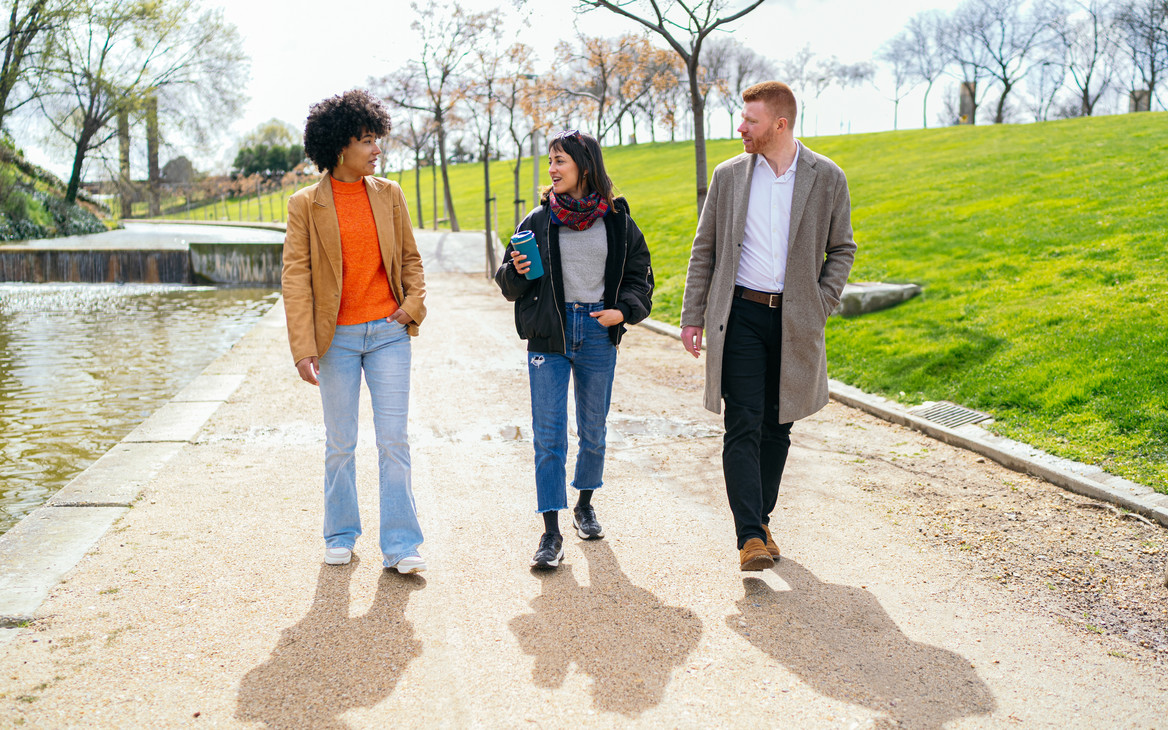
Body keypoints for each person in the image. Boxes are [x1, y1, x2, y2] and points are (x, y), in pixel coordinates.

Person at [680, 81, 856, 571]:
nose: (741, 128)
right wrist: (693, 315)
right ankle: (750, 536)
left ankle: (761, 518)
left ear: (780, 124)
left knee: (779, 425)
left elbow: (842, 248)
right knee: (743, 423)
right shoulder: (730, 175)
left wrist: (821, 302)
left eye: (750, 121)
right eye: (742, 119)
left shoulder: (827, 177)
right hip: (739, 315)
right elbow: (705, 249)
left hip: (796, 319)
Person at [282, 89, 428, 574]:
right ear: (340, 145)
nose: (376, 149)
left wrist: (411, 306)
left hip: (388, 333)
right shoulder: (305, 205)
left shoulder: (390, 195)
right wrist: (303, 348)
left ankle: (402, 546)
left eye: (376, 139)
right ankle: (341, 533)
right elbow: (295, 279)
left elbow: (410, 258)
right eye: (367, 140)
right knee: (340, 443)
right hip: (336, 340)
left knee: (394, 440)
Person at [495, 130, 653, 569]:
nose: (552, 169)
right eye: (550, 161)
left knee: (594, 430)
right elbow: (507, 283)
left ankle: (585, 503)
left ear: (584, 165)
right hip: (550, 334)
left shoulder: (618, 221)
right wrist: (518, 271)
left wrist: (622, 312)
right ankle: (550, 532)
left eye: (560, 160)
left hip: (598, 333)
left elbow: (642, 275)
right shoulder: (537, 221)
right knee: (548, 438)